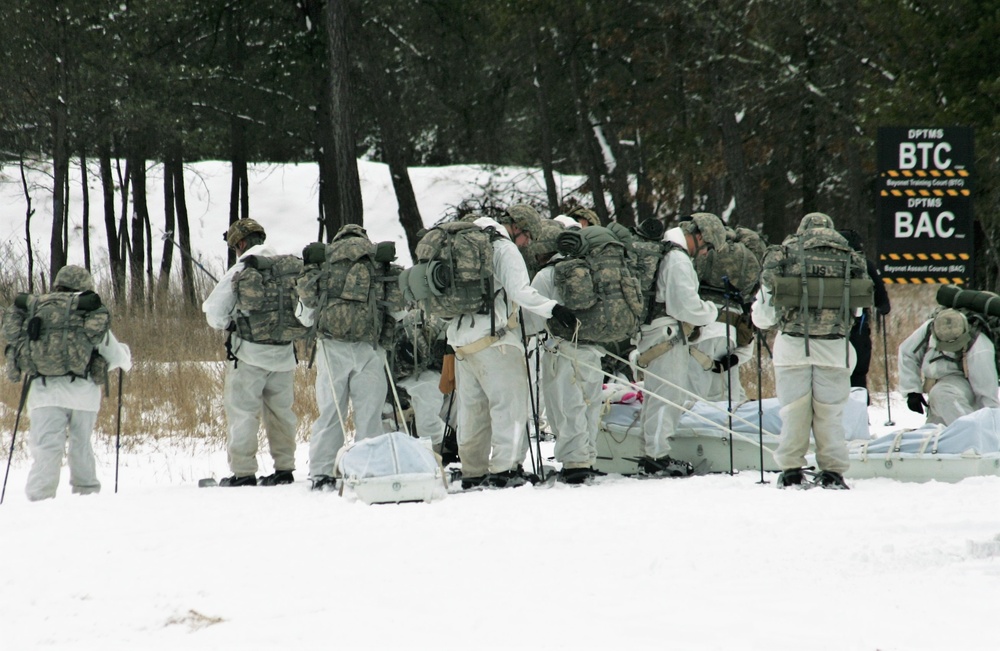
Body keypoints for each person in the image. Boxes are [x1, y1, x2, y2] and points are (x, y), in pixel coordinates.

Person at [448, 204, 561, 489]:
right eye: (528, 237)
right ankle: (506, 469)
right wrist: (553, 309)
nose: (526, 244)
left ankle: (472, 472)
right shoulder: (503, 248)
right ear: (519, 228)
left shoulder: (463, 246)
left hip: (462, 342)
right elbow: (520, 292)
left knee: (472, 411)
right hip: (495, 340)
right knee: (509, 407)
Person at [753, 212, 867, 490]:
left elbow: (763, 316)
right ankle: (832, 472)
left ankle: (791, 470)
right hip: (834, 348)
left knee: (794, 412)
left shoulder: (786, 256)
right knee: (829, 414)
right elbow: (858, 309)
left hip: (792, 346)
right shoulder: (849, 259)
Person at [296, 224, 403, 491]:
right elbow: (399, 311)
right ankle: (370, 470)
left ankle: (322, 472)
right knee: (370, 414)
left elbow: (305, 314)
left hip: (332, 347)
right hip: (371, 348)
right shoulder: (380, 263)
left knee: (331, 412)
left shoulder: (324, 262)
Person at [20, 265, 132, 501]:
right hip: (83, 394)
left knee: (47, 448)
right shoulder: (87, 311)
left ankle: (39, 498)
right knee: (81, 445)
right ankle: (87, 493)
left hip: (43, 393)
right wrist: (122, 357)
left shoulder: (39, 309)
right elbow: (114, 355)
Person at [203, 218, 298, 487]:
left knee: (243, 413)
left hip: (248, 355)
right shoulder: (286, 267)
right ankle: (284, 470)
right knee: (282, 414)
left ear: (241, 243)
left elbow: (214, 311)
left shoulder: (243, 267)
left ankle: (243, 473)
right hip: (284, 355)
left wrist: (230, 322)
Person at [634, 213, 721, 476]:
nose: (705, 254)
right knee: (667, 396)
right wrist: (711, 311)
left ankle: (651, 452)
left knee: (656, 395)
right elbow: (685, 306)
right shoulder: (678, 259)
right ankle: (657, 457)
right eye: (707, 248)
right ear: (699, 236)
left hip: (656, 334)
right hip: (667, 334)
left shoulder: (665, 252)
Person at [898, 308, 999, 425]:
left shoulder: (979, 344)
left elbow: (986, 391)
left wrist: (992, 425)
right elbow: (907, 353)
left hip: (962, 386)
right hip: (936, 392)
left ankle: (973, 432)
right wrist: (912, 391)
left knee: (943, 394)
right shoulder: (928, 329)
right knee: (937, 434)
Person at [839, 229, 891, 398]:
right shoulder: (865, 264)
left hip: (831, 331)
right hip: (858, 330)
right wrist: (882, 306)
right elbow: (882, 301)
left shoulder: (830, 263)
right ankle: (860, 414)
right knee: (858, 375)